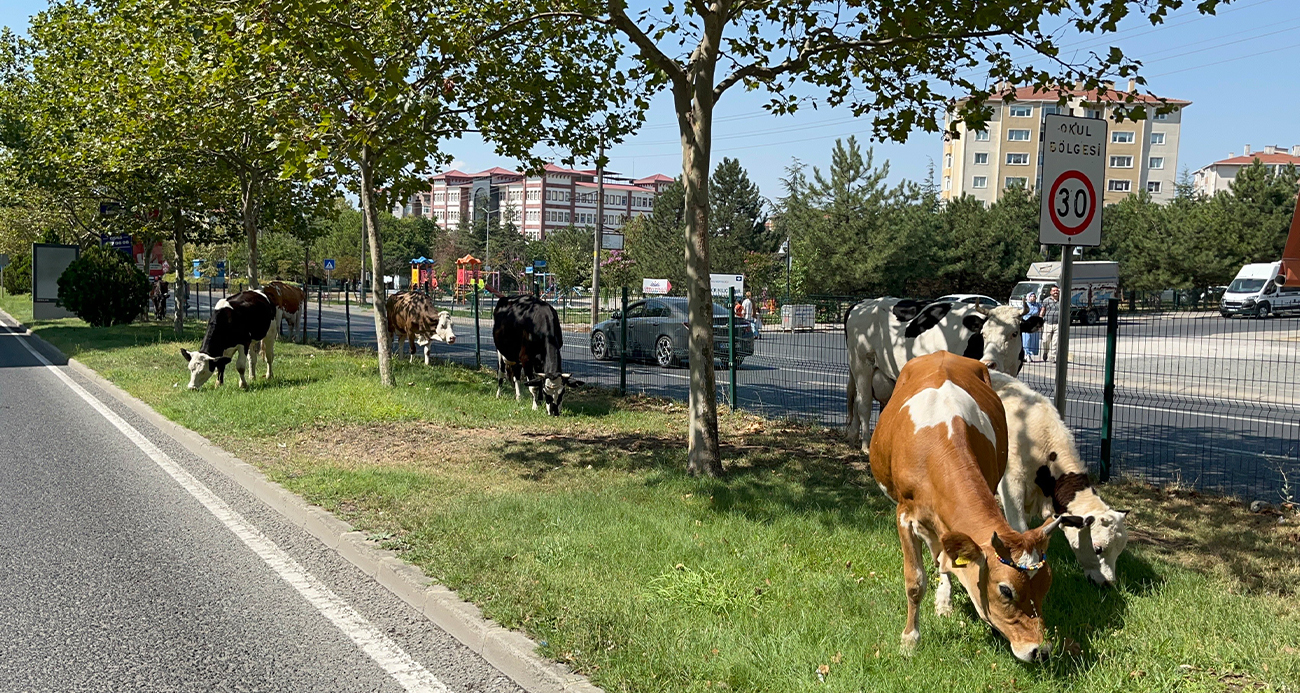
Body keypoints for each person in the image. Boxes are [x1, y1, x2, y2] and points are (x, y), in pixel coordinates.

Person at [1040, 285, 1061, 362]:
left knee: (1055, 342)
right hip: (1047, 323)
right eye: (1054, 290)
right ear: (1050, 292)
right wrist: (1040, 320)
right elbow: (1043, 310)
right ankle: (1045, 352)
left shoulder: (1061, 300)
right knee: (1045, 340)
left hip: (1058, 324)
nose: (1056, 292)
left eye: (1057, 290)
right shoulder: (1046, 300)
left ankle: (1053, 357)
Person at [1021, 292, 1041, 361]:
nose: (1033, 298)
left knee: (1033, 340)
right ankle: (1026, 354)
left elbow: (1041, 312)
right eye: (1031, 296)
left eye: (1034, 296)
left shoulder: (1038, 305)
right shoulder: (1025, 305)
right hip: (1027, 323)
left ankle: (1031, 354)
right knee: (1027, 340)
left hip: (1035, 324)